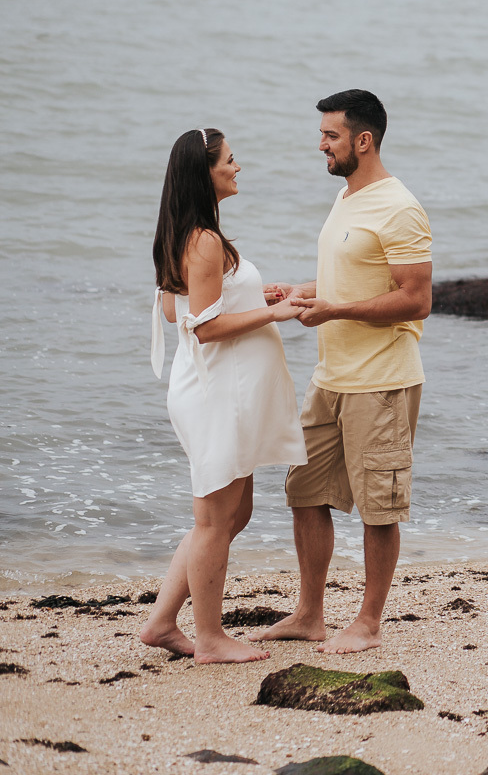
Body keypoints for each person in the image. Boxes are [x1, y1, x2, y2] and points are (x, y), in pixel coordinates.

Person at [252, 90, 433, 654]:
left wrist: (334, 310)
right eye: (321, 137)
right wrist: (304, 291)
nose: (321, 147)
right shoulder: (346, 197)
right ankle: (310, 614)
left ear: (364, 140)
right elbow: (356, 280)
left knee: (379, 507)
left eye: (330, 137)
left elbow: (415, 299)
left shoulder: (399, 208)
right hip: (329, 377)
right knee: (304, 492)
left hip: (380, 380)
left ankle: (369, 624)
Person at [141, 128, 308, 664]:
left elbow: (180, 308)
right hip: (217, 395)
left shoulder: (187, 232)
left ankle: (163, 623)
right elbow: (203, 328)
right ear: (205, 172)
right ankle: (209, 638)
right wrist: (275, 312)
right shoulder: (205, 239)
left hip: (214, 391)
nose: (239, 168)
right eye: (230, 161)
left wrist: (255, 293)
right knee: (216, 520)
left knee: (232, 516)